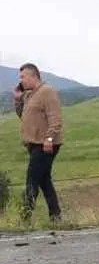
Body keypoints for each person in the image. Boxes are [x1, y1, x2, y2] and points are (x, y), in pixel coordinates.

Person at [13, 63, 64, 222]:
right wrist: (18, 100)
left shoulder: (47, 92)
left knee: (32, 180)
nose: (21, 80)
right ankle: (56, 217)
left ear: (34, 76)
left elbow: (55, 118)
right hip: (34, 144)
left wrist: (49, 138)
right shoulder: (29, 95)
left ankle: (25, 218)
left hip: (45, 144)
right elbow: (23, 115)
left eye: (23, 77)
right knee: (44, 181)